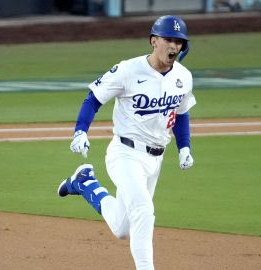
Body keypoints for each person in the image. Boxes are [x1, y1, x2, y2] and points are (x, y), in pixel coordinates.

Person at [57, 15, 196, 270]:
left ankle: (85, 183)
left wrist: (184, 147)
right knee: (143, 209)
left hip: (156, 159)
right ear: (154, 41)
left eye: (179, 41)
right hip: (125, 154)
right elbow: (93, 98)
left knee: (123, 228)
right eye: (168, 40)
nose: (174, 46)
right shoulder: (128, 70)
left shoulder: (184, 77)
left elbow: (182, 112)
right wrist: (80, 131)